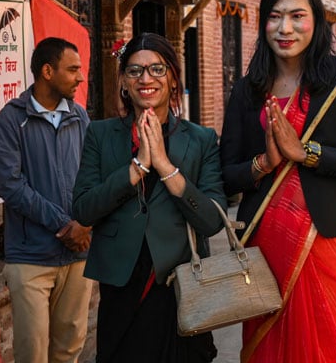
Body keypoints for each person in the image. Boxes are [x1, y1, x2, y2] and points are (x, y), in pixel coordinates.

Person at [219, 0, 336, 362]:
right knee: (268, 346)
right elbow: (226, 173)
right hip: (264, 244)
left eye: (298, 16)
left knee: (328, 343)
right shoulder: (248, 90)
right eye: (275, 17)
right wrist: (265, 163)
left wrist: (308, 152)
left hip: (324, 241)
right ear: (263, 22)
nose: (286, 28)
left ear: (317, 20)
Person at [72, 32, 227, 363]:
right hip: (122, 284)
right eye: (134, 70)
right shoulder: (100, 135)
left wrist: (165, 167)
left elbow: (213, 220)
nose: (146, 78)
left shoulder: (201, 140)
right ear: (124, 83)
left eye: (157, 69)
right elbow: (84, 209)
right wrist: (137, 166)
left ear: (173, 78)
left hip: (181, 283)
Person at [0, 37, 92, 363]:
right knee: (32, 353)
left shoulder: (79, 116)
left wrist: (86, 223)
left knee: (70, 348)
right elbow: (11, 186)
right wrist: (65, 224)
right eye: (72, 69)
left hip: (79, 253)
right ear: (47, 71)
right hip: (31, 256)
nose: (80, 77)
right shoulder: (11, 119)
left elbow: (93, 176)